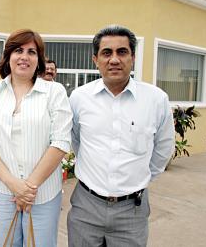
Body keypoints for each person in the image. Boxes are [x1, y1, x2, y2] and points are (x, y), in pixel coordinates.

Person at [67, 25, 175, 247]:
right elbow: (76, 141)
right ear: (95, 59)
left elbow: (163, 150)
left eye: (122, 52)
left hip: (132, 211)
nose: (114, 59)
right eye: (107, 53)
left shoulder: (156, 100)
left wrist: (138, 180)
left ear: (133, 57)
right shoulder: (79, 98)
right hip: (86, 207)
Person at [0, 29, 72, 246]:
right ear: (8, 56)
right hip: (2, 190)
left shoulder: (54, 92)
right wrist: (14, 185)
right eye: (18, 50)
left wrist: (28, 188)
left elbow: (60, 141)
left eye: (32, 52)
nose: (24, 57)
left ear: (39, 59)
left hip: (43, 193)